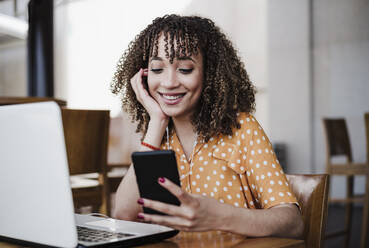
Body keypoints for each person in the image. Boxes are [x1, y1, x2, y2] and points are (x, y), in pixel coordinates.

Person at [111, 14, 304, 238]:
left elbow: (293, 222)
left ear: (209, 74)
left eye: (184, 69)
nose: (169, 83)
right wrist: (157, 121)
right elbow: (124, 214)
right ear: (143, 76)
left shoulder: (242, 129)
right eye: (156, 69)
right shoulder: (157, 136)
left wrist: (221, 216)